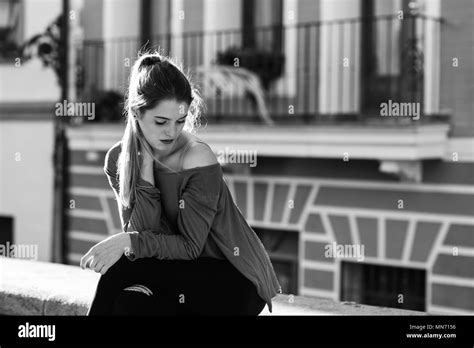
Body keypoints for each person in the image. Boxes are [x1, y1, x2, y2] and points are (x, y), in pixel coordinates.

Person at [81, 50, 281, 315]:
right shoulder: (119, 160)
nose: (172, 132)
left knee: (127, 280)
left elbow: (188, 246)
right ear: (136, 114)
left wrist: (125, 242)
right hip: (182, 269)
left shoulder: (197, 158)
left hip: (233, 275)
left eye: (180, 121)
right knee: (130, 302)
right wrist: (145, 170)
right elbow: (145, 236)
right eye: (161, 122)